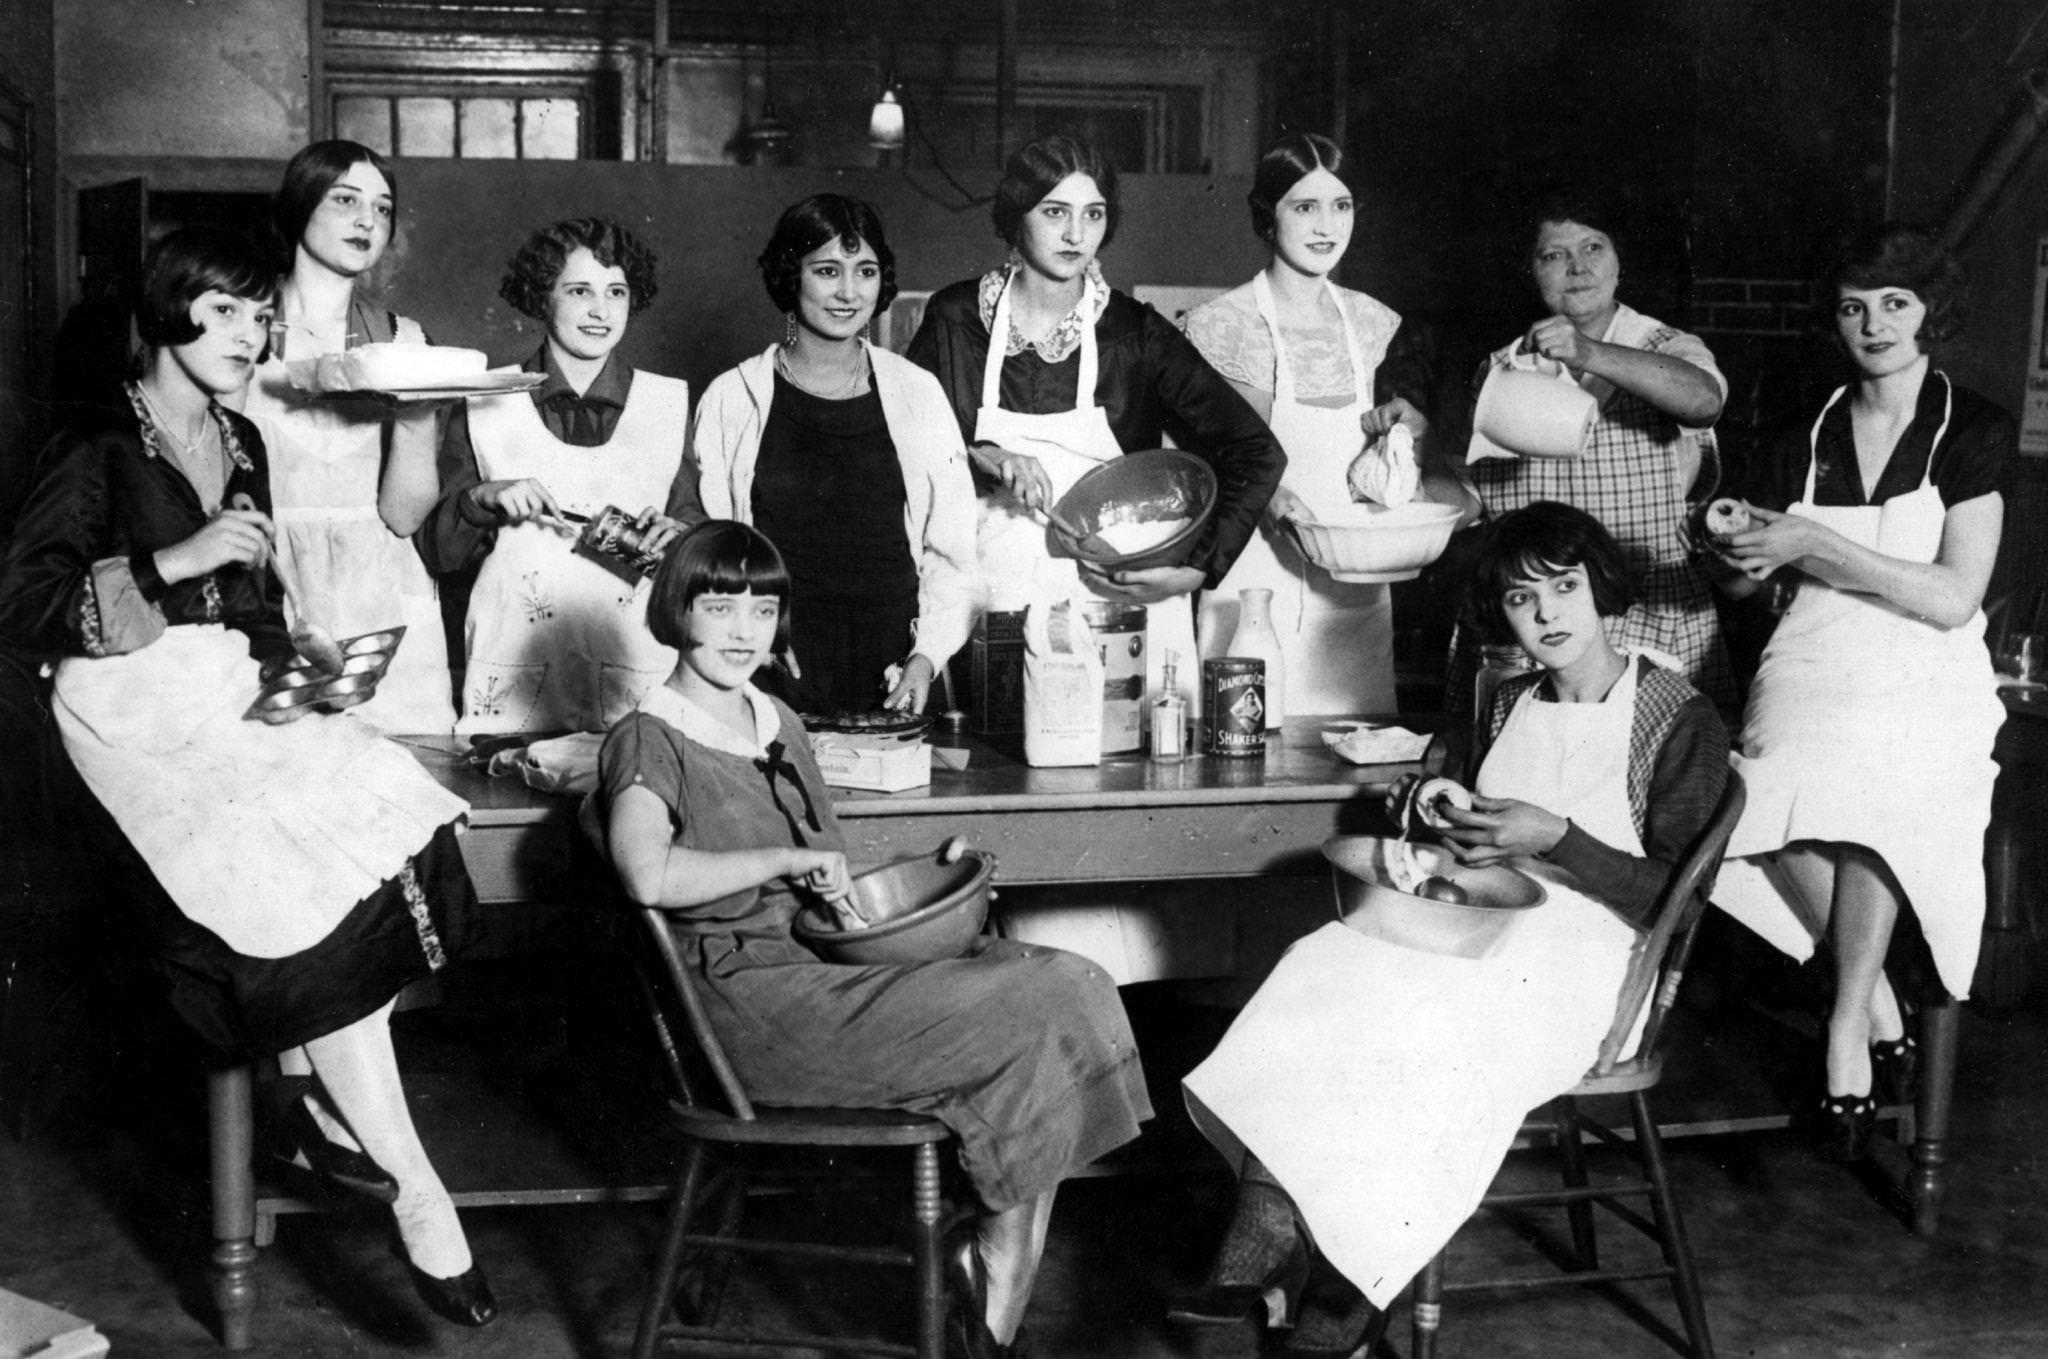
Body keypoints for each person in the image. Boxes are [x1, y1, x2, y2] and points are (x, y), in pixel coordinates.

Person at [0, 228, 496, 1327]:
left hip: (224, 701)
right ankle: (412, 1188)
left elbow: (254, 600)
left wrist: (304, 663)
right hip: (128, 726)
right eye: (221, 310)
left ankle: (337, 1127)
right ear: (169, 312)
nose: (246, 333)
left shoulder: (240, 438)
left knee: (399, 819)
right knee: (280, 897)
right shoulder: (91, 447)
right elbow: (22, 609)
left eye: (258, 315)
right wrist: (175, 563)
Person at [1175, 501, 1728, 1354]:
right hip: (1482, 921)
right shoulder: (1505, 701)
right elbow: (1457, 819)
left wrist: (1559, 840)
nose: (1546, 616)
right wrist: (1432, 803)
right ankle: (1264, 1237)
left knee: (1423, 1035)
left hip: (1593, 954)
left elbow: (1678, 903)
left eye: (1564, 588)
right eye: (1520, 599)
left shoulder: (1676, 718)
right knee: (1321, 963)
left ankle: (1340, 1287)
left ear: (1601, 587)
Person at [596, 520, 1150, 1358]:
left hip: (821, 972)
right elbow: (646, 875)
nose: (745, 631)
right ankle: (991, 1296)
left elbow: (831, 881)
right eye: (720, 607)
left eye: (763, 608)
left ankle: (992, 1273)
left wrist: (937, 872)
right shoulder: (650, 734)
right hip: (750, 1010)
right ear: (678, 610)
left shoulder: (773, 716)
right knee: (1033, 1006)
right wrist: (784, 857)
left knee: (1074, 980)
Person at [1712, 224, 2009, 1162]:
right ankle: (1874, 989)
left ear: (1931, 312)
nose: (1874, 323)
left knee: (1872, 786)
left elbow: (1954, 595)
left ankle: (1845, 1022)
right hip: (1814, 649)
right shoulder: (1801, 426)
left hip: (1929, 661)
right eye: (1854, 305)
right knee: (1764, 789)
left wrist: (1820, 548)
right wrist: (1731, 549)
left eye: (1896, 302)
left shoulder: (1975, 427)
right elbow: (1753, 588)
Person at [905, 133, 1286, 706]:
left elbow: (1257, 453)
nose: (1075, 235)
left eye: (1094, 214)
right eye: (1055, 211)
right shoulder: (956, 319)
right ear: (1015, 217)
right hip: (985, 602)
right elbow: (906, 445)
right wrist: (988, 454)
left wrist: (1199, 570)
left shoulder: (1136, 335)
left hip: (1115, 608)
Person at [1182, 131, 1460, 717]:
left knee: (1355, 747)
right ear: (1268, 217)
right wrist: (1275, 499)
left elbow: (1376, 462)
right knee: (1245, 749)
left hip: (1354, 581)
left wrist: (1400, 438)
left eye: (1341, 206)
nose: (1325, 226)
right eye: (1304, 207)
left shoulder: (1368, 321)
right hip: (1255, 577)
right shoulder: (1224, 324)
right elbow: (1226, 458)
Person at [666, 194, 976, 715]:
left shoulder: (916, 391)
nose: (849, 292)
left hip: (894, 667)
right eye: (828, 270)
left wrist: (925, 659)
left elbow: (953, 552)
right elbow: (714, 549)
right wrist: (743, 644)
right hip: (772, 665)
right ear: (793, 276)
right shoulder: (733, 395)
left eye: (866, 271)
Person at [1447, 189, 1733, 721]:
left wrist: (1590, 352)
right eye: (1554, 255)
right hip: (1534, 621)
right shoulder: (1503, 369)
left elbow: (1704, 401)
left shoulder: (1666, 346)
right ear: (1532, 271)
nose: (1577, 268)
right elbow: (1475, 499)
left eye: (1594, 248)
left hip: (1648, 612)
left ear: (1619, 262)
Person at [415, 216, 684, 735]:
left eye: (617, 292)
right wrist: (480, 499)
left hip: (640, 668)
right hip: (516, 677)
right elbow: (438, 551)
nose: (601, 310)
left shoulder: (668, 403)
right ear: (543, 296)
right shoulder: (484, 401)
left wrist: (681, 536)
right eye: (580, 290)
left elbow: (695, 536)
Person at [237, 139, 457, 733]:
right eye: (345, 200)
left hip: (383, 594)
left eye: (383, 208)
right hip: (272, 587)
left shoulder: (404, 339)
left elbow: (406, 517)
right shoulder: (243, 329)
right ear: (300, 206)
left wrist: (415, 412)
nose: (367, 220)